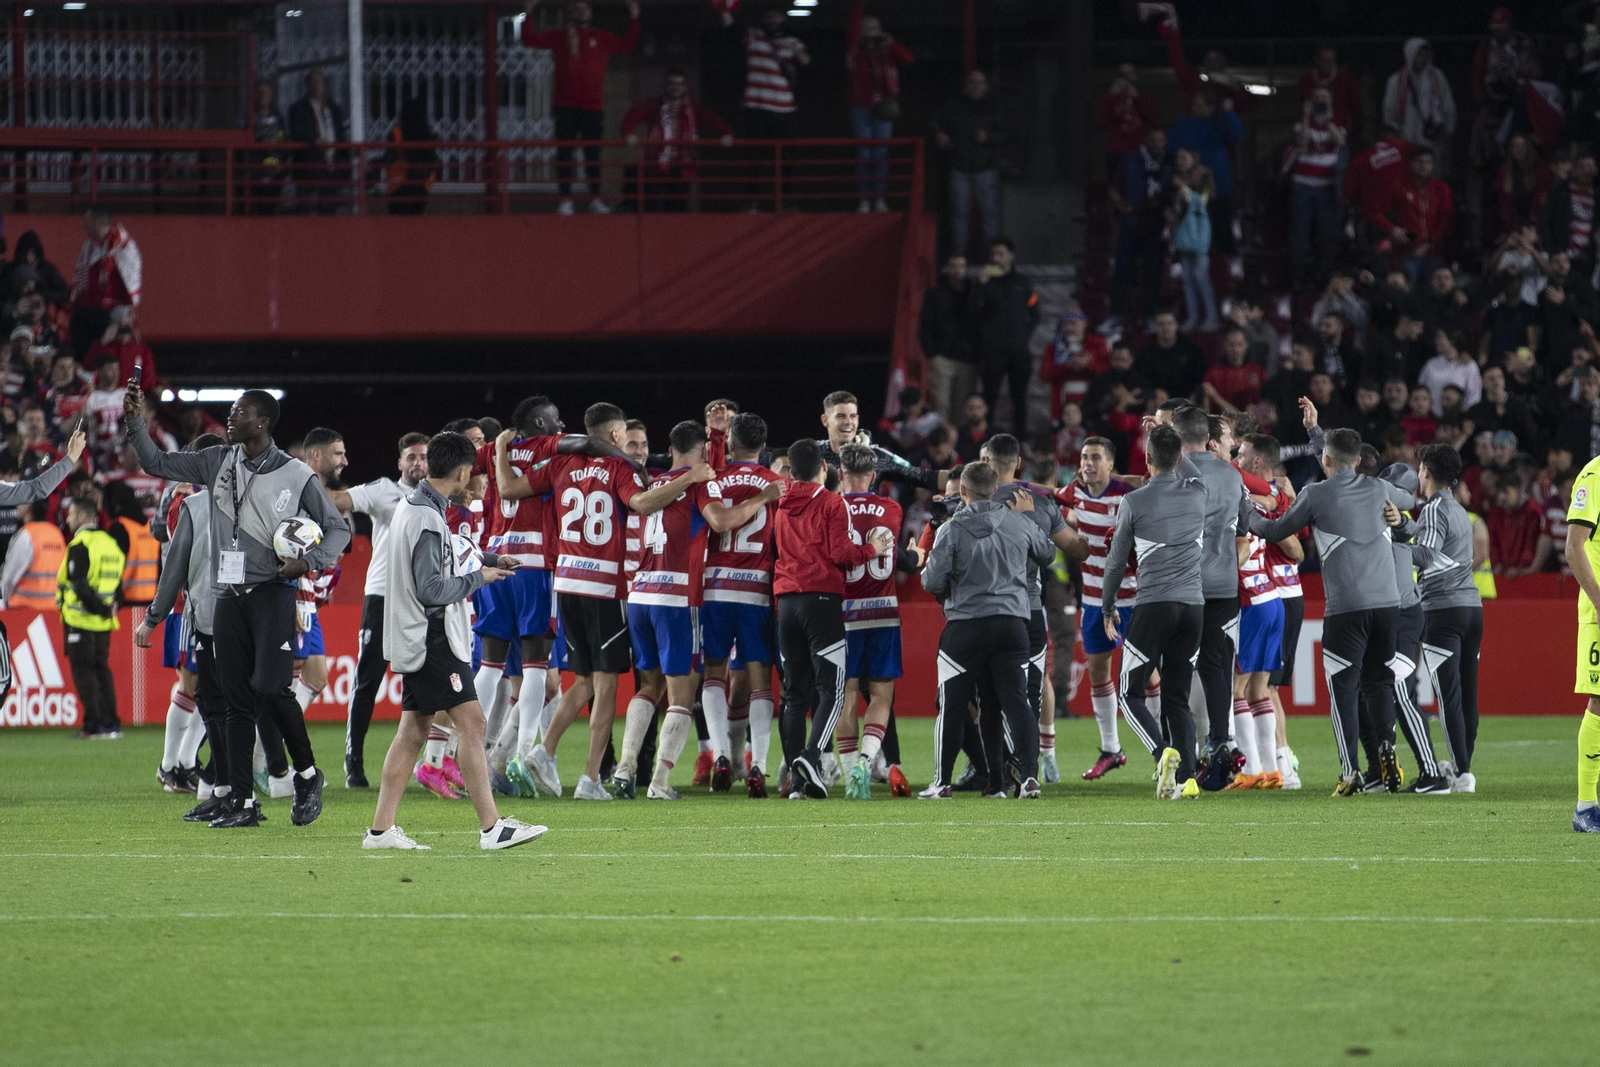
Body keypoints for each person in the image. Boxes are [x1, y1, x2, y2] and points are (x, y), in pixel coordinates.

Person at [123, 383, 349, 828]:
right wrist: (135, 421)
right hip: (228, 595)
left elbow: (336, 529)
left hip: (273, 593)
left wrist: (307, 561)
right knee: (233, 701)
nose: (229, 416)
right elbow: (156, 462)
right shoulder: (217, 460)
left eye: (239, 410)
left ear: (262, 422)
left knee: (269, 688)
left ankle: (307, 775)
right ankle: (243, 802)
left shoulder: (297, 474)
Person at [505, 402, 704, 800]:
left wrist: (497, 453)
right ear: (615, 436)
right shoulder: (618, 468)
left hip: (565, 583)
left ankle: (544, 753)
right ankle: (590, 779)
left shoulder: (560, 465)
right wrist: (689, 480)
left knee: (581, 680)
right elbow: (643, 504)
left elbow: (509, 488)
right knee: (606, 684)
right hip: (603, 586)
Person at [364, 431, 546, 852]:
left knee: (413, 731)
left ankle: (380, 831)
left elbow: (446, 553)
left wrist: (488, 559)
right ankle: (492, 827)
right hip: (431, 636)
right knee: (472, 722)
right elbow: (431, 587)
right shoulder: (427, 517)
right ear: (464, 471)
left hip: (417, 635)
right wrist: (477, 578)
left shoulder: (419, 508)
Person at [470, 396, 636, 796]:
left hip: (493, 560)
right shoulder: (548, 449)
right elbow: (585, 444)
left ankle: (468, 752)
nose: (561, 425)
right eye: (556, 419)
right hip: (534, 565)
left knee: (491, 665)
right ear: (540, 421)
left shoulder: (496, 449)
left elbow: (463, 470)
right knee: (535, 667)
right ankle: (523, 753)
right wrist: (627, 458)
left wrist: (490, 456)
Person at [614, 420, 777, 799]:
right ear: (703, 449)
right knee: (682, 696)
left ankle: (625, 768)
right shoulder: (701, 480)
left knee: (649, 688)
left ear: (669, 449)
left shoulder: (654, 483)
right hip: (675, 598)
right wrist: (761, 499)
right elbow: (720, 520)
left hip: (640, 596)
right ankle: (659, 782)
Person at [1248, 424, 1406, 796]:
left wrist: (1246, 510)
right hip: (1389, 604)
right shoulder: (1381, 489)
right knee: (1381, 682)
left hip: (1347, 608)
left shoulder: (1315, 493)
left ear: (1326, 459)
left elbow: (1274, 532)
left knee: (1343, 691)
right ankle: (1387, 751)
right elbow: (1410, 495)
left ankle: (1350, 770)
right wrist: (1399, 516)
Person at [919, 460, 1055, 799]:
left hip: (965, 626)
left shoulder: (950, 529)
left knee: (952, 704)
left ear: (962, 491)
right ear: (995, 490)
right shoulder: (1018, 523)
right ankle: (1022, 778)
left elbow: (931, 581)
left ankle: (942, 782)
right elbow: (1048, 553)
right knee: (1012, 701)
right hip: (1011, 625)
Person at [772, 437, 891, 798]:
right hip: (820, 602)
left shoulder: (780, 505)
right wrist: (873, 549)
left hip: (786, 606)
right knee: (832, 690)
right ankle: (811, 756)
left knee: (793, 694)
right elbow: (841, 552)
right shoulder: (831, 502)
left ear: (791, 473)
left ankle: (797, 780)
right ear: (825, 468)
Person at [1097, 423, 1206, 798]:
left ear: (1145, 460)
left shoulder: (1134, 501)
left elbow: (1114, 563)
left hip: (1154, 604)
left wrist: (1107, 605)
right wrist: (1171, 433)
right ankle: (1189, 777)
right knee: (1177, 696)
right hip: (1194, 606)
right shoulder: (1198, 492)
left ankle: (1163, 754)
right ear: (1179, 458)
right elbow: (1191, 468)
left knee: (1130, 692)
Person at [323, 432, 430, 787]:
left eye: (423, 457)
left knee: (427, 682)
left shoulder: (437, 498)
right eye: (411, 457)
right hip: (383, 596)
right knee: (367, 680)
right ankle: (354, 761)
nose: (417, 463)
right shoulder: (384, 490)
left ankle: (433, 762)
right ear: (400, 462)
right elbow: (338, 499)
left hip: (420, 600)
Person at [981, 434, 1088, 784]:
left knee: (983, 691)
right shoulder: (1040, 505)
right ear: (1018, 465)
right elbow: (1076, 549)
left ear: (985, 461)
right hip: (1026, 607)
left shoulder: (972, 500)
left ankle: (988, 768)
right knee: (1031, 687)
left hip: (978, 609)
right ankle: (1034, 762)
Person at [700, 411, 788, 797]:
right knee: (759, 683)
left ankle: (721, 755)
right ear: (765, 447)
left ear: (732, 443)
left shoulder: (714, 479)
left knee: (715, 675)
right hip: (757, 591)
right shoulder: (777, 484)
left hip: (715, 589)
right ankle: (759, 766)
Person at [1387, 444, 1483, 794]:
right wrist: (1404, 526)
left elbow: (1426, 554)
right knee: (1467, 691)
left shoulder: (1433, 508)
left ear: (1424, 470)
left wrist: (1390, 541)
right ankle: (1463, 765)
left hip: (1442, 609)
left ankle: (1462, 774)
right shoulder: (1458, 509)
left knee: (1449, 695)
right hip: (1472, 609)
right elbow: (1437, 546)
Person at [1172, 407, 1252, 788]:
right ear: (1208, 437)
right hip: (1225, 584)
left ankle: (1182, 756)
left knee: (1176, 668)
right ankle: (1221, 741)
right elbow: (1245, 527)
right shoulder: (1233, 475)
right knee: (1216, 665)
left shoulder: (1176, 472)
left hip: (1184, 584)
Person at [1053, 436, 1137, 780]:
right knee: (1099, 672)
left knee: (1149, 677)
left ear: (1110, 464)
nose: (1088, 463)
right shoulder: (1071, 494)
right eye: (1085, 457)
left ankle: (1165, 749)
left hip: (1135, 598)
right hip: (1091, 600)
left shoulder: (1127, 495)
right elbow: (1046, 494)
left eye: (1096, 457)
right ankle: (1111, 749)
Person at [832, 443, 913, 798]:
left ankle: (851, 772)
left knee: (846, 696)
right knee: (881, 696)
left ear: (840, 473)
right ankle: (868, 759)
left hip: (844, 613)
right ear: (874, 475)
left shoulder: (831, 507)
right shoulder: (891, 508)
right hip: (883, 612)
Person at [522, 0, 641, 215]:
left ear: (590, 12)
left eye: (584, 7)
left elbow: (628, 44)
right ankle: (565, 199)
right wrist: (529, 12)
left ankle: (595, 198)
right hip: (565, 106)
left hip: (592, 108)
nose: (581, 11)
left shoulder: (601, 37)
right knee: (565, 153)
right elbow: (529, 38)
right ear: (571, 12)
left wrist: (633, 17)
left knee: (592, 154)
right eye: (576, 8)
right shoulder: (560, 35)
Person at [57, 491, 124, 740]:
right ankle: (111, 724)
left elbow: (80, 585)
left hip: (81, 620)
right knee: (101, 670)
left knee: (84, 671)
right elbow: (118, 585)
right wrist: (111, 606)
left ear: (84, 515)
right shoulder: (111, 544)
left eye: (72, 513)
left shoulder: (80, 545)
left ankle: (93, 725)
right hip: (103, 622)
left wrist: (101, 608)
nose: (68, 517)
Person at [620, 69, 734, 213]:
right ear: (666, 86)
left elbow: (711, 119)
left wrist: (726, 133)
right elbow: (634, 114)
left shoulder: (692, 108)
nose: (675, 87)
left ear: (685, 87)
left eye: (679, 84)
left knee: (678, 209)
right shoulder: (655, 105)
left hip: (682, 166)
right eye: (672, 83)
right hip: (658, 166)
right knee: (655, 209)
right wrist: (628, 133)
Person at [845, 0, 912, 213]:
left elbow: (908, 58)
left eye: (874, 29)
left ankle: (880, 199)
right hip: (861, 106)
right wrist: (859, 5)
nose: (870, 32)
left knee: (881, 153)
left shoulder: (887, 49)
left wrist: (890, 43)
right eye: (866, 29)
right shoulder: (855, 48)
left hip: (884, 107)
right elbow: (852, 25)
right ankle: (865, 199)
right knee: (864, 152)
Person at [1166, 91, 1243, 257]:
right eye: (1194, 104)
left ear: (1211, 108)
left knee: (1222, 231)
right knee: (1189, 232)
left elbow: (1238, 135)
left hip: (1218, 187)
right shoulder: (1185, 123)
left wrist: (1229, 112)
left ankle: (1226, 274)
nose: (1195, 108)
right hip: (1191, 187)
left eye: (1200, 105)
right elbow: (1171, 147)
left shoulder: (1220, 123)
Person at [935, 69, 1003, 256]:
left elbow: (1006, 134)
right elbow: (936, 122)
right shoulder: (955, 105)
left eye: (979, 82)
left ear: (985, 85)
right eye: (972, 82)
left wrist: (988, 137)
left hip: (986, 169)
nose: (976, 86)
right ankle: (959, 259)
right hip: (960, 168)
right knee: (959, 216)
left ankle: (994, 258)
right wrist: (939, 135)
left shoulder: (993, 107)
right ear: (967, 85)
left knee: (989, 215)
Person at [978, 237, 1039, 440]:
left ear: (1011, 255)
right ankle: (986, 441)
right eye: (994, 254)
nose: (997, 258)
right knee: (989, 397)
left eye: (1001, 253)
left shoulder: (1023, 282)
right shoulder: (986, 282)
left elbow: (1035, 312)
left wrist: (1023, 335)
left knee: (1019, 398)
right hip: (993, 351)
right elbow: (974, 311)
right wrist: (982, 285)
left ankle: (1021, 440)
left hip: (1018, 351)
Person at [1287, 87, 1347, 292]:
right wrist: (1306, 116)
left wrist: (1328, 120)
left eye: (1324, 98)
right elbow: (1302, 143)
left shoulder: (1337, 125)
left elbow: (1340, 140)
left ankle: (1324, 278)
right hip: (1302, 187)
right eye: (1317, 98)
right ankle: (1298, 279)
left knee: (1326, 236)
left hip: (1326, 189)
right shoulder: (1300, 124)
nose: (1320, 101)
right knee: (1300, 236)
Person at [69, 207, 141, 362]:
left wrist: (124, 313)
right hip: (89, 309)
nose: (84, 227)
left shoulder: (122, 244)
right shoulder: (88, 245)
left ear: (95, 222)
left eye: (86, 222)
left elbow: (131, 279)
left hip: (110, 310)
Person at [1381, 38, 1456, 178]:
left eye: (1425, 55)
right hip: (1405, 137)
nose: (1422, 59)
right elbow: (1389, 109)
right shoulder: (1396, 80)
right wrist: (1394, 131)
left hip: (1431, 138)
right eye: (1418, 54)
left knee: (1432, 174)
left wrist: (1449, 127)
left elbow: (1447, 104)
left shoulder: (1437, 77)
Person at [1380, 146, 1454, 286]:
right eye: (1420, 162)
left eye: (1428, 162)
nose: (1424, 166)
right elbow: (1381, 213)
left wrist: (1429, 244)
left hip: (1435, 253)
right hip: (1409, 252)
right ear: (1412, 164)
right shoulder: (1400, 188)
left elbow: (1446, 220)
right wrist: (1393, 231)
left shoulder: (1441, 188)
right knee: (1406, 290)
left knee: (1434, 293)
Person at [919, 254, 980, 424]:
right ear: (948, 268)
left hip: (968, 359)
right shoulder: (935, 293)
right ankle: (942, 443)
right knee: (941, 404)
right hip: (942, 357)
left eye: (961, 266)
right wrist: (932, 353)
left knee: (963, 407)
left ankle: (958, 446)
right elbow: (925, 324)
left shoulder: (974, 291)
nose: (958, 270)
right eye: (954, 266)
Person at [287, 70, 348, 215]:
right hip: (309, 167)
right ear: (307, 86)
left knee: (328, 210)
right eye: (314, 82)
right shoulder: (298, 109)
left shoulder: (333, 109)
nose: (318, 86)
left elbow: (340, 134)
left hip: (331, 168)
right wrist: (313, 139)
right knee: (307, 211)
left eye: (320, 82)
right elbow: (297, 132)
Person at [1171, 150, 1218, 332]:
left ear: (1194, 159)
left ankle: (1212, 318)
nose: (1180, 161)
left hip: (1199, 238)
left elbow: (1198, 202)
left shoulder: (1205, 178)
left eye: (1184, 158)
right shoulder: (1177, 179)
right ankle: (1192, 317)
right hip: (1184, 237)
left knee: (1201, 277)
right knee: (1188, 280)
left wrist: (1182, 186)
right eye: (1178, 158)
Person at [1538, 149, 1599, 279]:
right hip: (1562, 257)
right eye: (1582, 167)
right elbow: (1544, 221)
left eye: (1590, 167)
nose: (1586, 171)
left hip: (1586, 259)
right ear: (1575, 168)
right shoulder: (1560, 191)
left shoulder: (1597, 196)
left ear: (1595, 170)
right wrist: (1553, 251)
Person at [1096, 62, 1157, 183]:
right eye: (1123, 74)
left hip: (1137, 148)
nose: (1126, 78)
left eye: (1130, 73)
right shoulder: (1111, 96)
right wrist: (1111, 96)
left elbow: (1151, 117)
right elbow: (1101, 119)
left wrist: (1137, 98)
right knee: (1116, 185)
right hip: (1116, 148)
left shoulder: (1144, 94)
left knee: (1137, 183)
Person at [0, 500, 63, 611]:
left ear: (27, 506)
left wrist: (5, 600)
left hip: (25, 610)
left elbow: (9, 578)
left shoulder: (26, 535)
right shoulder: (56, 533)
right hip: (54, 609)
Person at [385, 89, 439, 216]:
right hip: (422, 186)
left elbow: (389, 157)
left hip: (398, 185)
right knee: (415, 222)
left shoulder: (396, 133)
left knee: (397, 224)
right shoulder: (427, 135)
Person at [1299, 44, 1362, 138]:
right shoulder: (1307, 79)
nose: (1327, 64)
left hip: (1338, 130)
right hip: (1312, 131)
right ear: (1318, 60)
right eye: (1324, 60)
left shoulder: (1346, 80)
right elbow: (1302, 103)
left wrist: (1354, 132)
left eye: (1331, 61)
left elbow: (1355, 107)